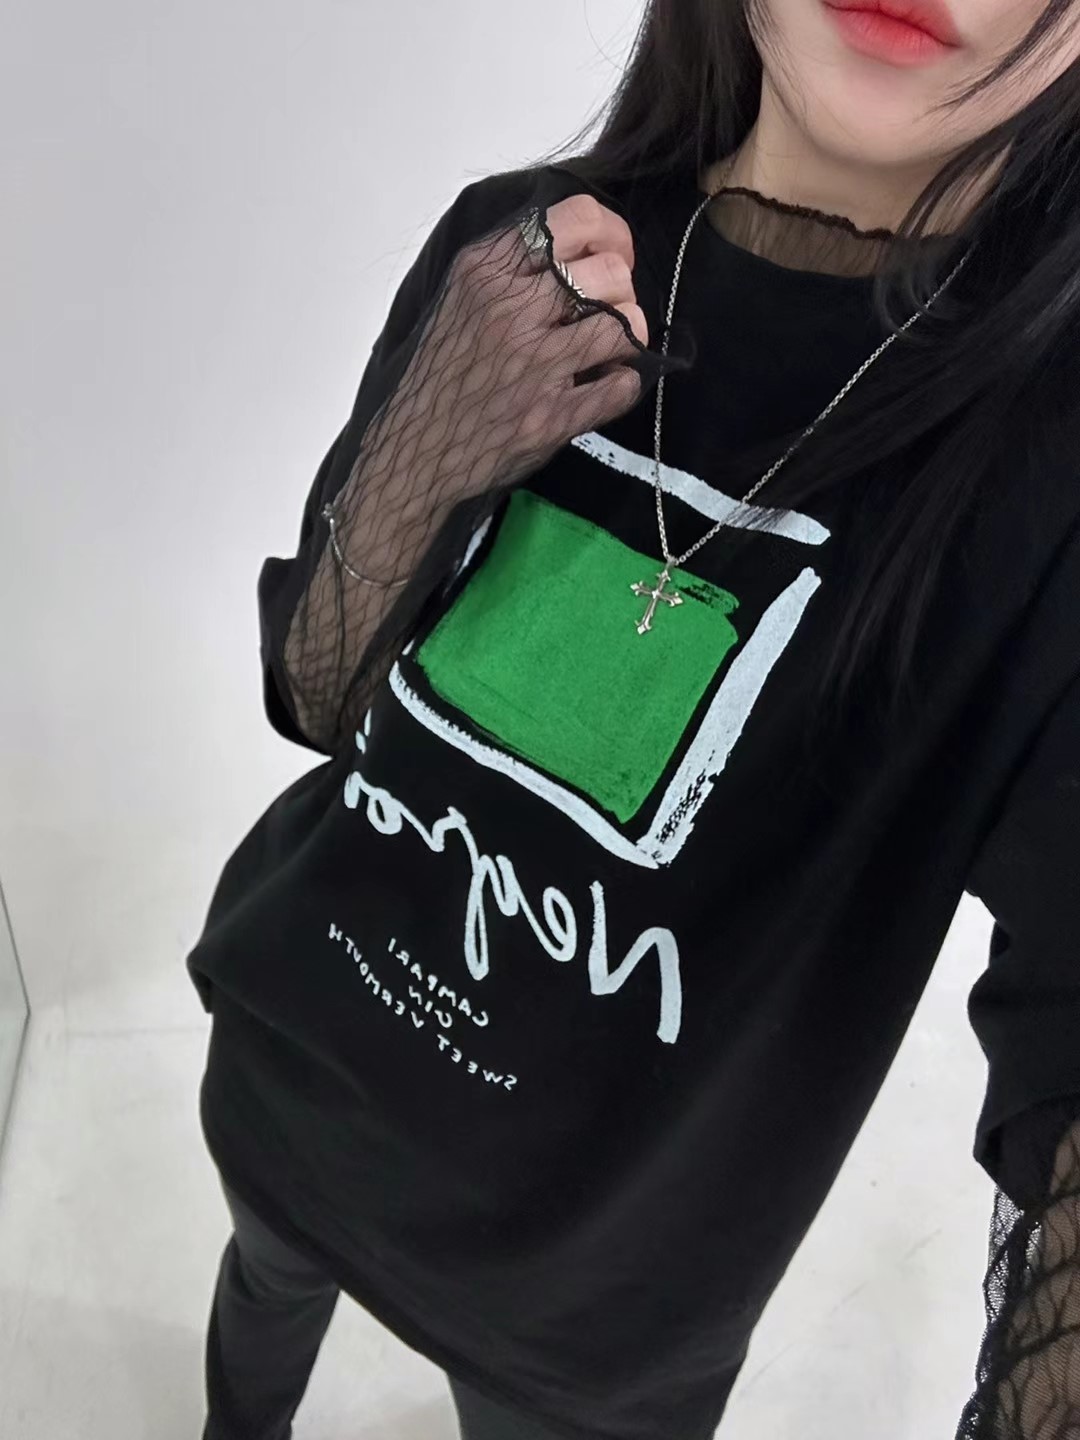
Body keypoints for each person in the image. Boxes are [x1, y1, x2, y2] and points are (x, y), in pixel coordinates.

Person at [187, 0, 1080, 1436]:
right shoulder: (524, 245)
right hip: (294, 1065)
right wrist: (424, 451)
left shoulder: (1046, 468)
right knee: (258, 1312)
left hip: (592, 1291)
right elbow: (313, 691)